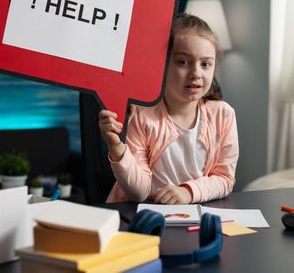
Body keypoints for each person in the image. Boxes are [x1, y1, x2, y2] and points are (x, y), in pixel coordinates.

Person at [99, 13, 239, 204]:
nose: (196, 73)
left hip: (191, 215)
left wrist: (188, 192)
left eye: (205, 64)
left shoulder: (223, 115)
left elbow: (225, 178)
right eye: (183, 62)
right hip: (142, 216)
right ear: (161, 65)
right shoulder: (142, 115)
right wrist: (116, 147)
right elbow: (139, 192)